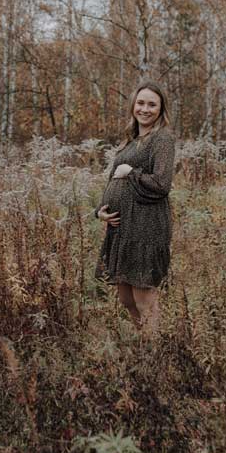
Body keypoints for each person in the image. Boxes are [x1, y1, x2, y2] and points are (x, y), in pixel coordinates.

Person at [94, 81, 176, 335]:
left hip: (146, 228)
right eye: (141, 103)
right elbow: (112, 180)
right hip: (122, 229)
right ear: (133, 106)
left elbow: (162, 184)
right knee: (126, 299)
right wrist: (100, 211)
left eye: (152, 104)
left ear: (161, 109)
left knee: (144, 300)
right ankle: (144, 346)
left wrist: (131, 173)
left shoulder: (162, 138)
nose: (145, 109)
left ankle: (153, 358)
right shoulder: (132, 140)